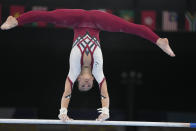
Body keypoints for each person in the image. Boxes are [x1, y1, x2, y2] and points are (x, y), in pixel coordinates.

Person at [0, 9, 175, 121]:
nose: (86, 83)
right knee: (127, 27)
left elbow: (67, 93)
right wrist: (105, 111)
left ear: (78, 81)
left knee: (50, 16)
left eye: (82, 85)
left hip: (76, 20)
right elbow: (104, 92)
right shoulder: (98, 72)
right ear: (92, 80)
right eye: (88, 85)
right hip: (98, 21)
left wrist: (62, 112)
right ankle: (159, 40)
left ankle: (16, 20)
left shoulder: (73, 71)